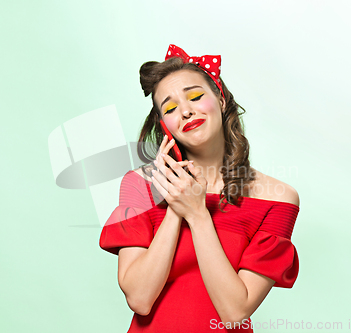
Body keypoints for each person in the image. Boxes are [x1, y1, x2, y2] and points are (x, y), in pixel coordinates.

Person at [99, 44, 300, 332]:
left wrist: (198, 214)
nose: (186, 111)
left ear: (220, 100)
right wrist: (175, 207)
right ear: (164, 124)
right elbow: (140, 299)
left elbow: (234, 313)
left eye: (195, 96)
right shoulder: (140, 185)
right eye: (170, 108)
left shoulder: (277, 198)